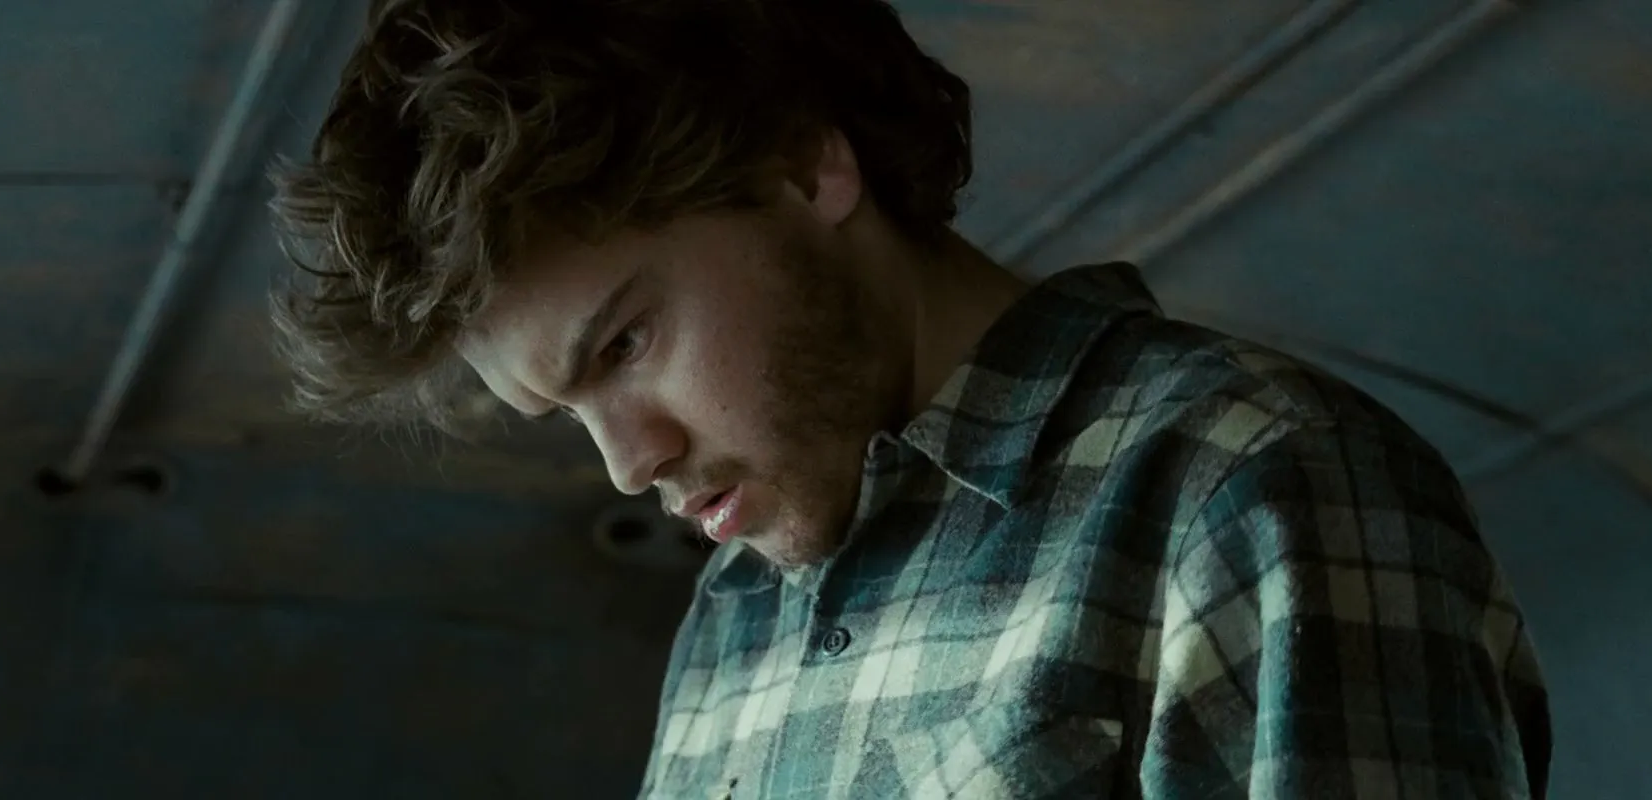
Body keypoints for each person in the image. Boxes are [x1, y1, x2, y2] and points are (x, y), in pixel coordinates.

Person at [266, 0, 1553, 796]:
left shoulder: (1254, 487)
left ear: (802, 163)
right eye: (564, 410)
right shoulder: (735, 608)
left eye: (623, 344)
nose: (627, 461)